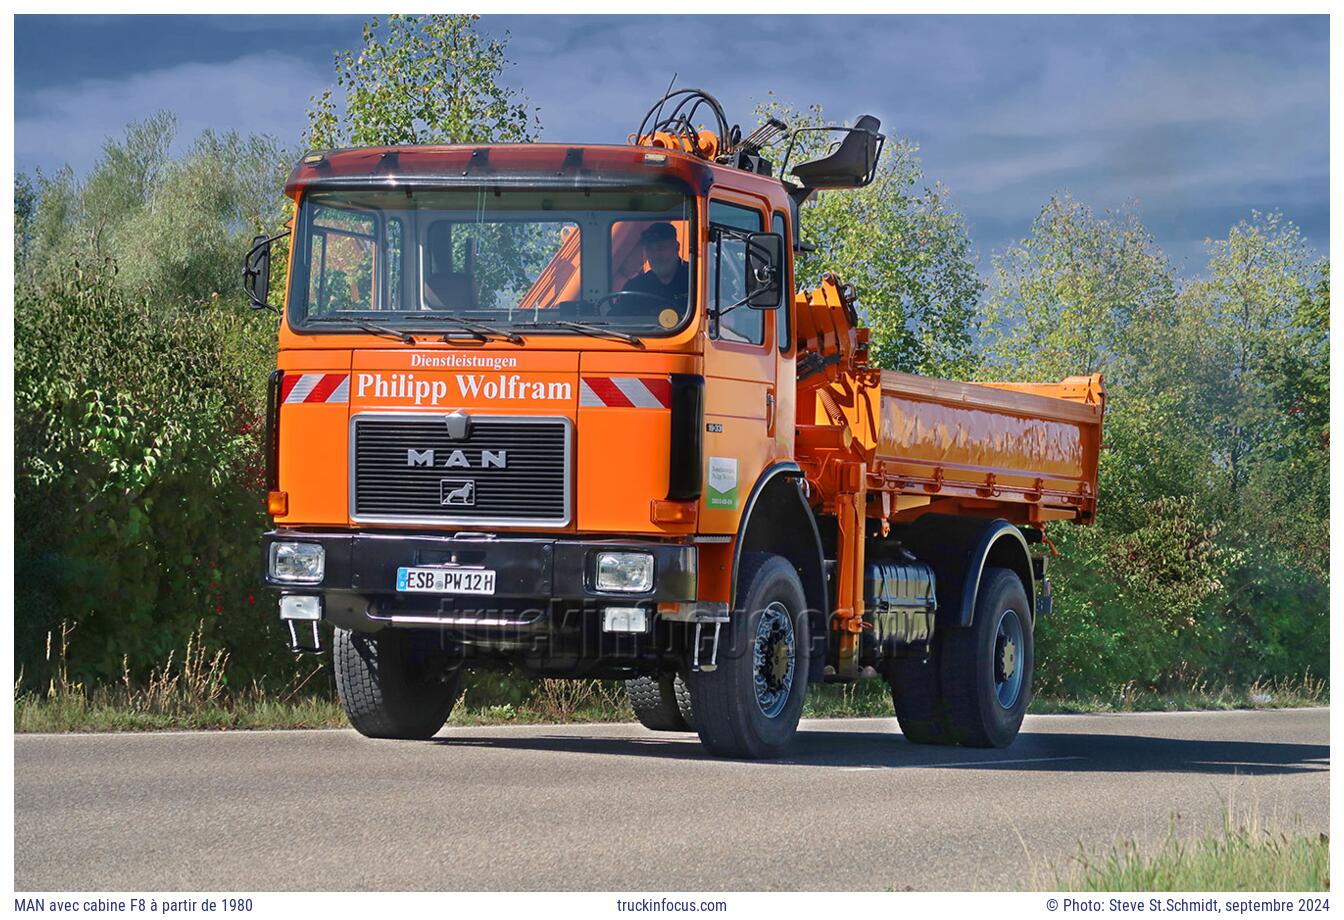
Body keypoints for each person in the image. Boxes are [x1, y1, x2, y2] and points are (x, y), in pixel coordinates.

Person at [609, 222, 689, 317]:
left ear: (677, 247)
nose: (656, 255)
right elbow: (614, 320)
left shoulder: (696, 279)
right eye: (650, 249)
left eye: (661, 248)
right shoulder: (635, 287)